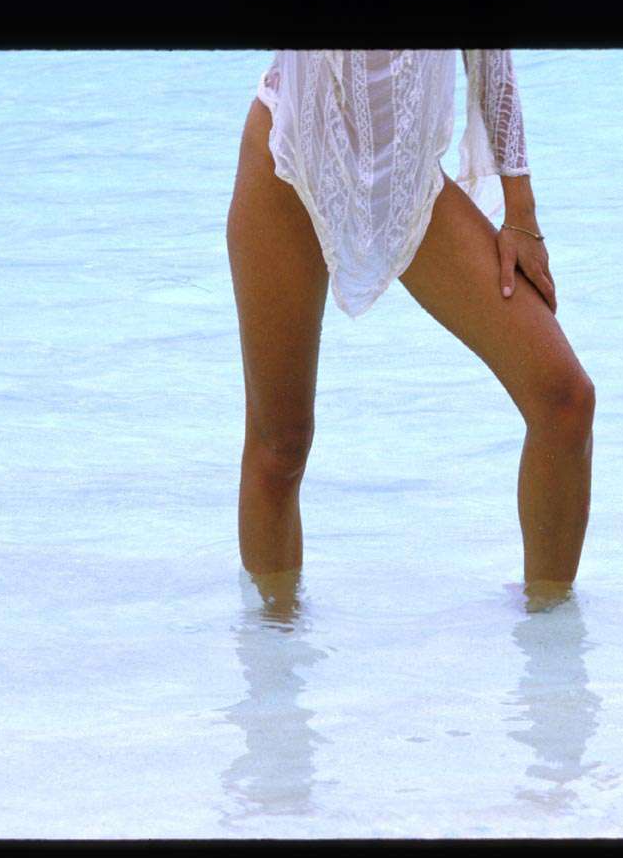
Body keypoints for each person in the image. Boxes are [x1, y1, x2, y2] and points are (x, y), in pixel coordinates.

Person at [226, 49, 595, 585]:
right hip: (293, 158)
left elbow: (491, 54)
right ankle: (274, 633)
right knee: (280, 446)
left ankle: (551, 633)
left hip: (407, 185)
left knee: (564, 400)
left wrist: (521, 211)